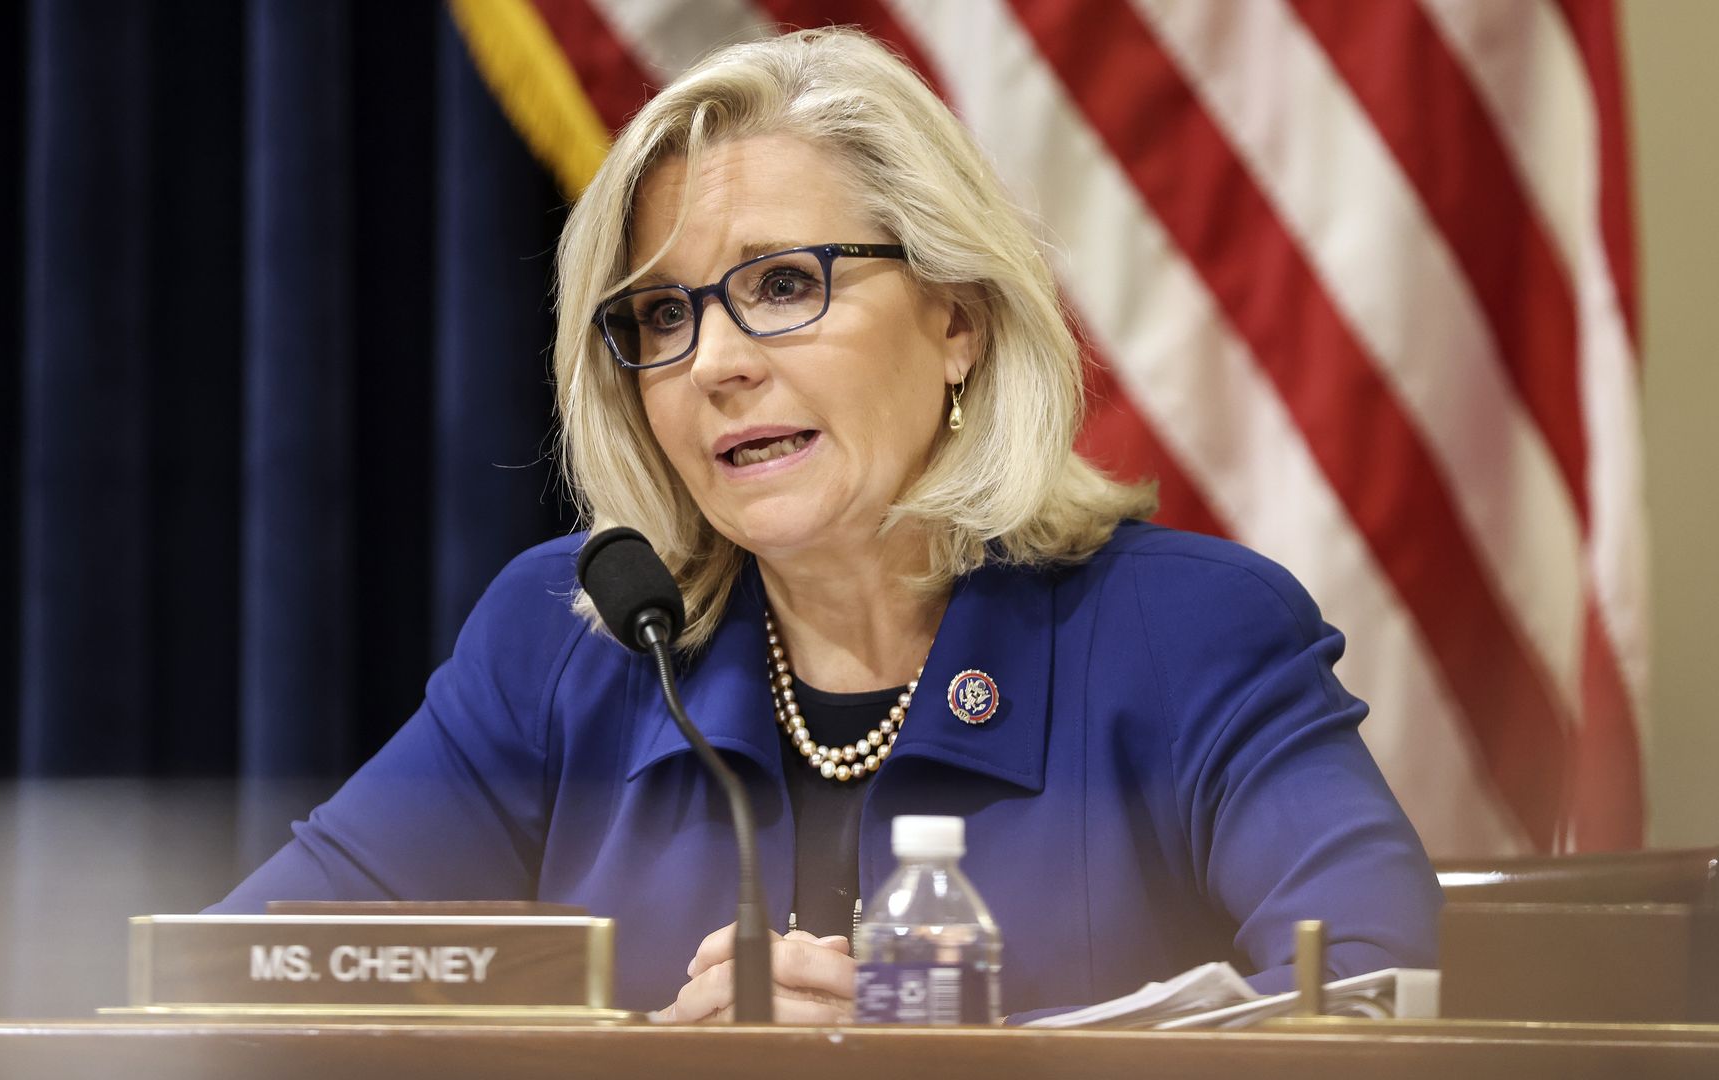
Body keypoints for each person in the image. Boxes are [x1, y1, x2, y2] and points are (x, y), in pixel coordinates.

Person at [211, 27, 1441, 1022]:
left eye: (784, 286)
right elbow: (242, 984)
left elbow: (1380, 1002)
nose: (714, 366)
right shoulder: (569, 644)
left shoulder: (1191, 637)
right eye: (661, 318)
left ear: (956, 318)